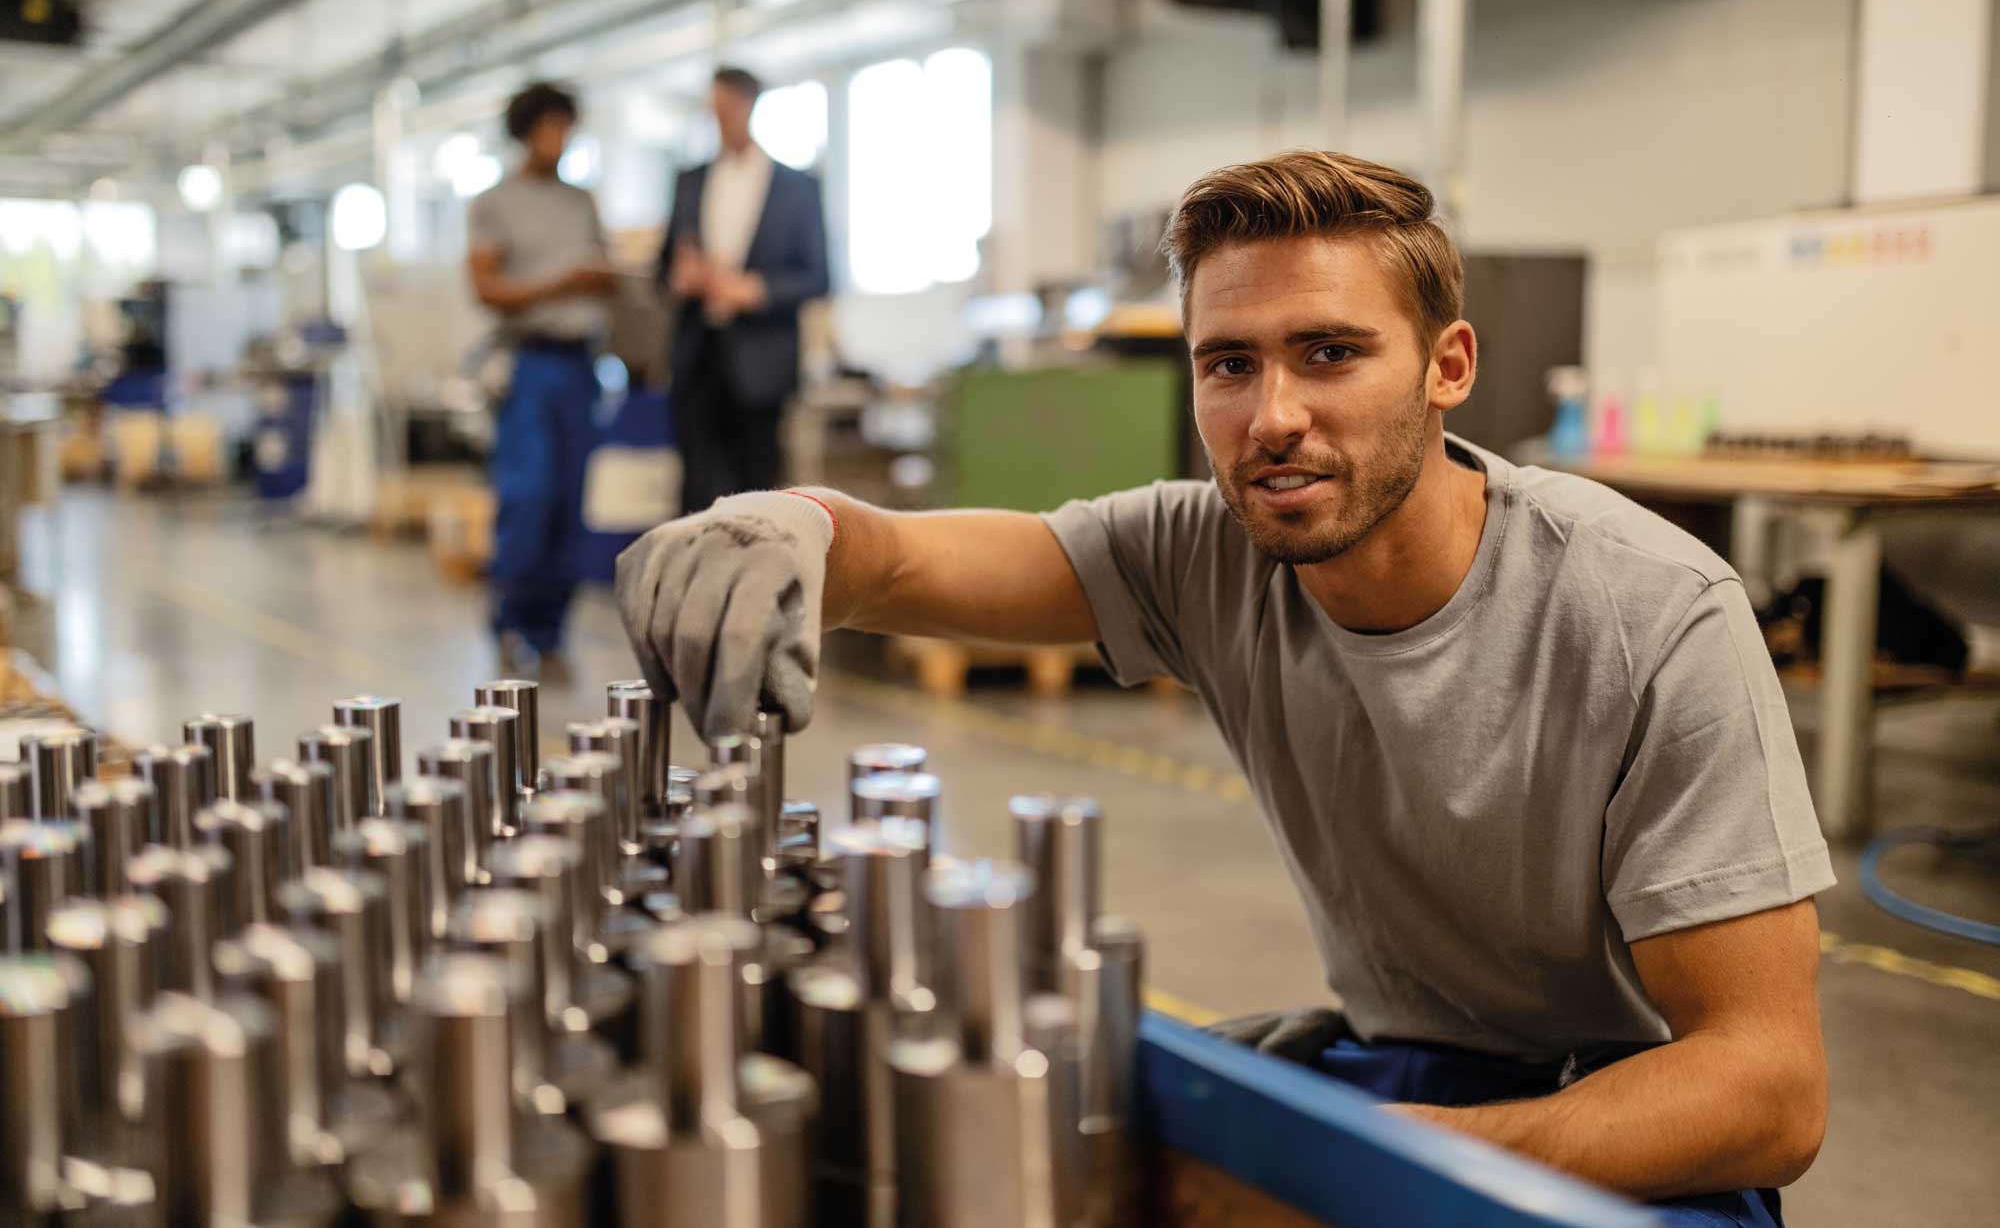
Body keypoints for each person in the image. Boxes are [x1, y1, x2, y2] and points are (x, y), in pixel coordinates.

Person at [615, 151, 1831, 1226]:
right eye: (1227, 365)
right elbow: (902, 556)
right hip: (1396, 1063)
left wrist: (1364, 1169)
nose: (1272, 417)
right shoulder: (1205, 552)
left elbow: (1763, 1091)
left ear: (1446, 365)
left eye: (1329, 354)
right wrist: (784, 526)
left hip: (1631, 1128)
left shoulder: (1649, 614)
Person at [466, 80, 617, 678]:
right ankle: (510, 624)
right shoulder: (495, 204)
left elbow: (604, 274)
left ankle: (552, 630)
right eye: (552, 127)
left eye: (568, 128)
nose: (561, 140)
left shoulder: (582, 203)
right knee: (526, 497)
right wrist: (558, 284)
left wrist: (602, 280)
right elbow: (486, 288)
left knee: (569, 503)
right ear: (527, 130)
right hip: (530, 363)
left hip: (582, 364)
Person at [656, 66, 830, 516]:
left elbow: (819, 275)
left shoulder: (797, 188)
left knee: (756, 490)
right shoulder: (689, 181)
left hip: (761, 358)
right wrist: (680, 277)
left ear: (750, 105)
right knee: (696, 488)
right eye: (713, 110)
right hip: (699, 355)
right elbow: (662, 269)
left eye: (728, 108)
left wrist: (755, 290)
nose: (721, 118)